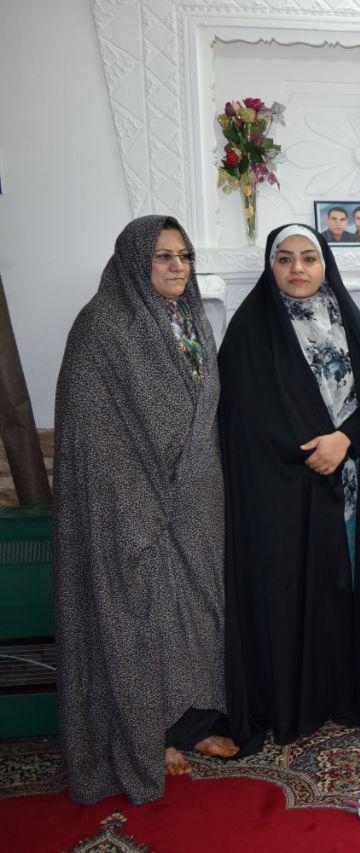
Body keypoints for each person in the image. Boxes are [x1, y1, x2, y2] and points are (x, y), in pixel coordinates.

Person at [53, 215, 238, 805]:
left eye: (184, 255)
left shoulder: (192, 318)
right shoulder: (101, 325)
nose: (178, 266)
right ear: (136, 261)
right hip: (133, 500)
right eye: (163, 256)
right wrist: (139, 492)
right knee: (143, 617)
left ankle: (193, 723)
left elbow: (203, 407)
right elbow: (91, 427)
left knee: (199, 613)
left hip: (198, 493)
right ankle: (148, 735)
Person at [218, 224, 360, 751]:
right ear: (271, 266)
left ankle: (352, 693)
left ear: (325, 264)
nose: (298, 269)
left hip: (353, 484)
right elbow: (242, 420)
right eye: (285, 259)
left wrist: (345, 440)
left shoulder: (348, 320)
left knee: (350, 587)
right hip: (285, 495)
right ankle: (301, 701)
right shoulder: (249, 329)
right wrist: (309, 449)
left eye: (308, 257)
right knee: (299, 592)